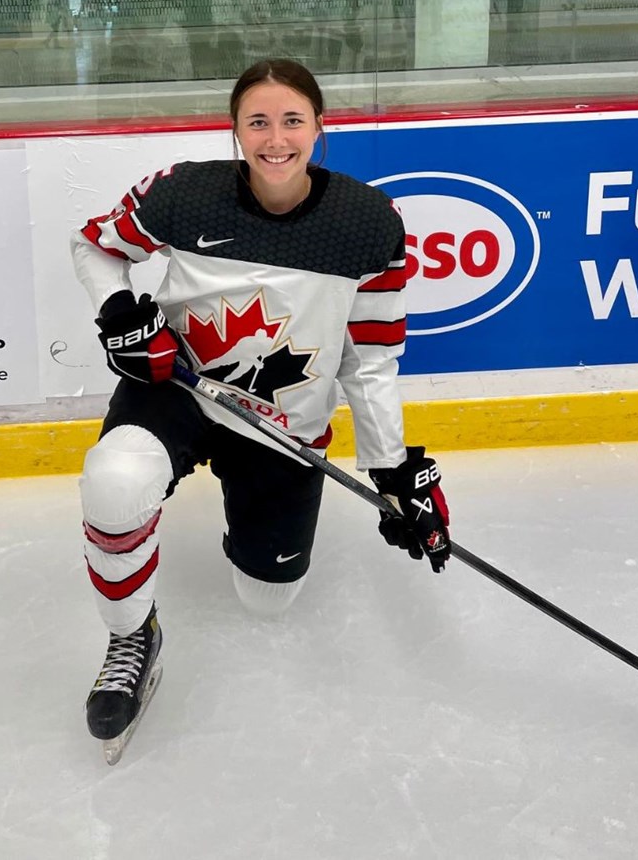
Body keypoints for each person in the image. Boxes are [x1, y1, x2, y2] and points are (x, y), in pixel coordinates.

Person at [71, 58, 451, 753]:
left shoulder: (368, 223)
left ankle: (249, 526)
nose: (275, 138)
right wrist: (123, 314)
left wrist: (393, 469)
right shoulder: (186, 194)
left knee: (268, 599)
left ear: (319, 127)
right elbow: (96, 247)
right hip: (177, 389)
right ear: (236, 130)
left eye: (292, 121)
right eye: (258, 122)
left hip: (284, 423)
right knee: (115, 481)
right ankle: (133, 636)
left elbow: (369, 359)